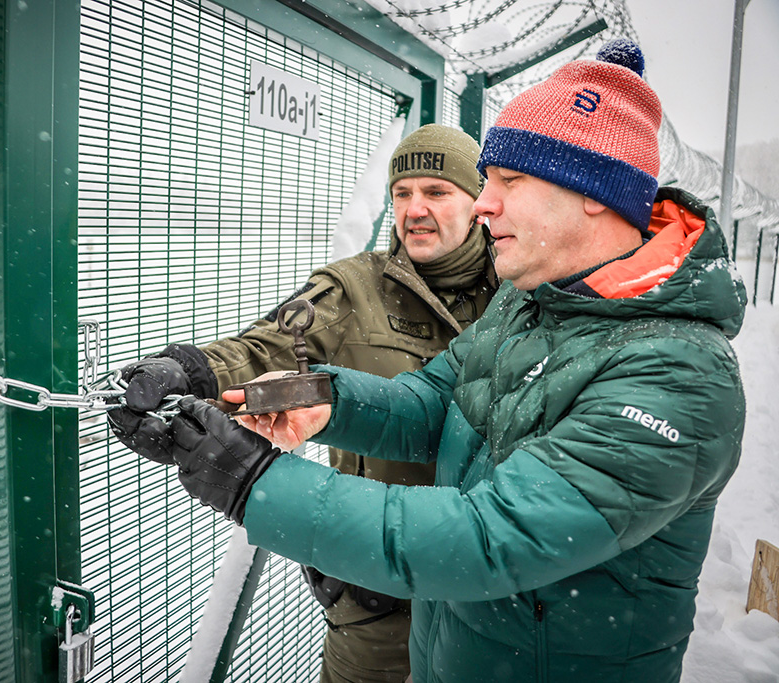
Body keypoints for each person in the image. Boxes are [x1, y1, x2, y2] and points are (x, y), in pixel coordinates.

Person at [114, 39, 748, 683]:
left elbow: (488, 538)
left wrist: (254, 482)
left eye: (507, 180)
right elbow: (437, 402)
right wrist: (321, 399)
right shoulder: (533, 305)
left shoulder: (679, 375)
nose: (482, 203)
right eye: (408, 192)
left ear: (591, 190)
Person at [108, 124, 498, 682]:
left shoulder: (518, 291)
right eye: (402, 193)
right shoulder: (352, 289)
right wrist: (191, 374)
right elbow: (267, 352)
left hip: (487, 574)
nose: (414, 209)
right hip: (376, 586)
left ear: (478, 201)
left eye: (436, 192)